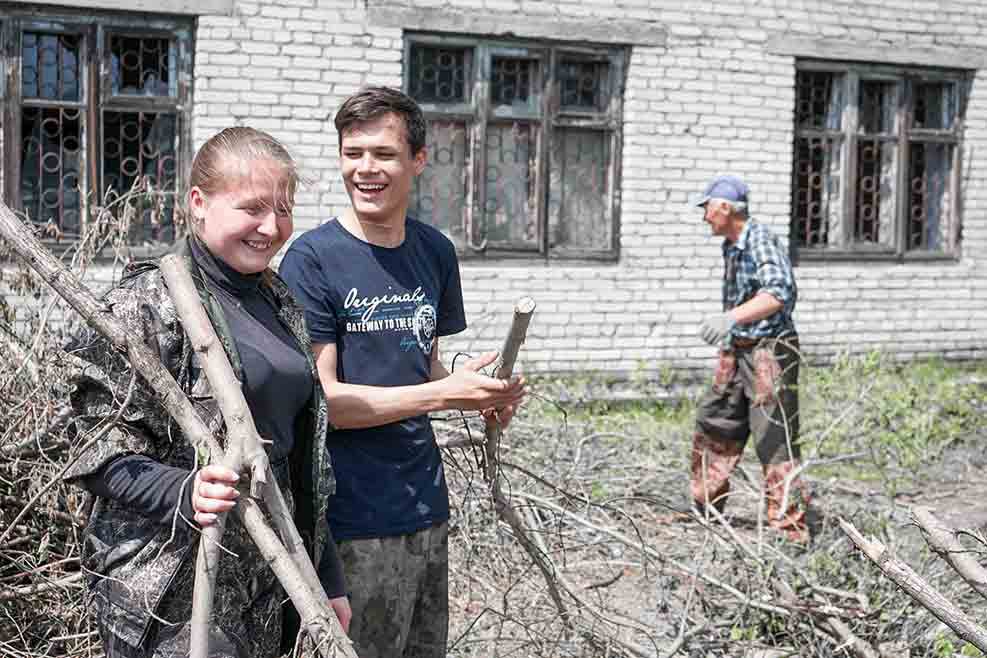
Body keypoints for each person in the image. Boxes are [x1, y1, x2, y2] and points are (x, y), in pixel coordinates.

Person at [63, 127, 350, 657]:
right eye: (253, 208)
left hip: (264, 585)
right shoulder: (146, 304)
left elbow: (300, 462)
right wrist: (184, 488)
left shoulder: (280, 301)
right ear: (199, 203)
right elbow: (90, 449)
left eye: (283, 210)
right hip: (171, 592)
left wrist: (325, 578)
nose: (271, 227)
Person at [279, 86, 526, 658]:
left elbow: (425, 363)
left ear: (417, 159)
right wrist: (444, 395)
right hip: (349, 518)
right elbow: (325, 404)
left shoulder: (434, 251)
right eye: (353, 152)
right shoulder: (312, 259)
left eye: (384, 154)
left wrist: (482, 393)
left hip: (424, 503)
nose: (365, 168)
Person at [690, 174, 811, 543]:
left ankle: (789, 531)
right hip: (738, 348)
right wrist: (731, 329)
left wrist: (730, 317)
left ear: (725, 207)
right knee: (715, 421)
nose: (704, 217)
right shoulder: (731, 244)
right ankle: (707, 510)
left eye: (707, 208)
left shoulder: (758, 238)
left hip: (768, 352)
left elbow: (780, 292)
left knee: (774, 437)